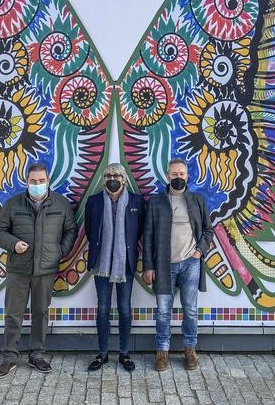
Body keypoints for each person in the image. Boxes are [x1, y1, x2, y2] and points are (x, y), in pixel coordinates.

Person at [0, 162, 77, 379]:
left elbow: (71, 230)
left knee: (40, 313)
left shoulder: (61, 204)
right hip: (18, 269)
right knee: (13, 314)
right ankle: (10, 357)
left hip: (46, 269)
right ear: (26, 182)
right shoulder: (13, 204)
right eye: (33, 181)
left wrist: (60, 251)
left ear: (48, 181)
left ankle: (37, 354)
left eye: (41, 181)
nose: (37, 185)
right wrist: (13, 244)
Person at [142, 158, 214, 371]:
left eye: (182, 174)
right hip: (164, 265)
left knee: (190, 310)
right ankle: (162, 351)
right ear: (168, 176)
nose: (178, 178)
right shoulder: (156, 202)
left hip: (191, 264)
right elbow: (148, 236)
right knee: (163, 311)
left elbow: (208, 230)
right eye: (174, 174)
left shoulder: (197, 201)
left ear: (187, 176)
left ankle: (190, 350)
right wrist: (148, 266)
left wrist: (199, 250)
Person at [85, 163, 145, 372]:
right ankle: (102, 354)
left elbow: (138, 232)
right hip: (101, 264)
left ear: (124, 179)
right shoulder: (93, 202)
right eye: (109, 175)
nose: (113, 178)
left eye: (117, 175)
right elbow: (89, 230)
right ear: (103, 179)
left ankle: (124, 353)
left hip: (125, 264)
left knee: (124, 309)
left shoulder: (137, 202)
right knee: (102, 309)